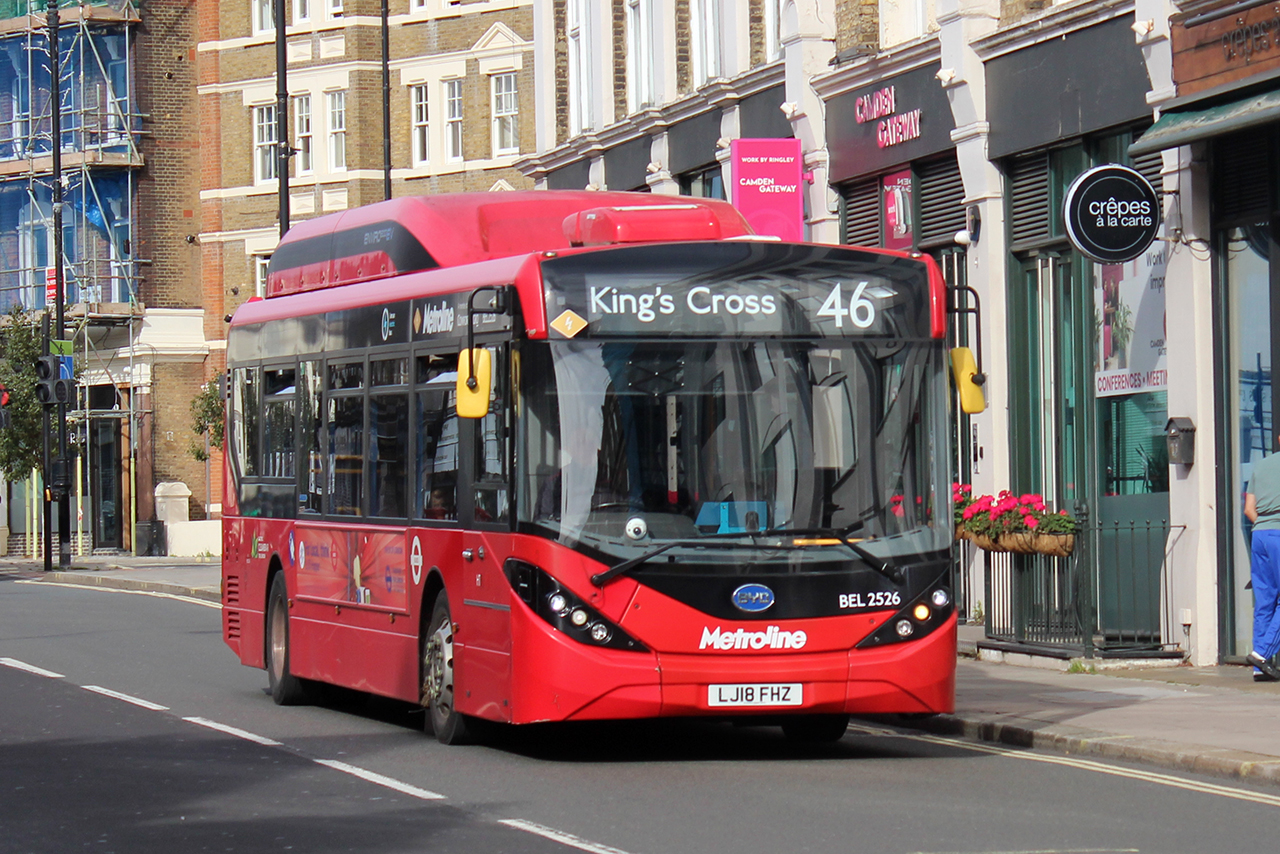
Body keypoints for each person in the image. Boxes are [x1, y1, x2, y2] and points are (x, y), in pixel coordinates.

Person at [1243, 444, 1280, 681]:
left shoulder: (1262, 465)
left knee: (1265, 601)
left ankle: (1259, 670)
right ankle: (1262, 654)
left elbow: (1248, 509)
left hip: (1260, 534)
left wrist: (1264, 528)